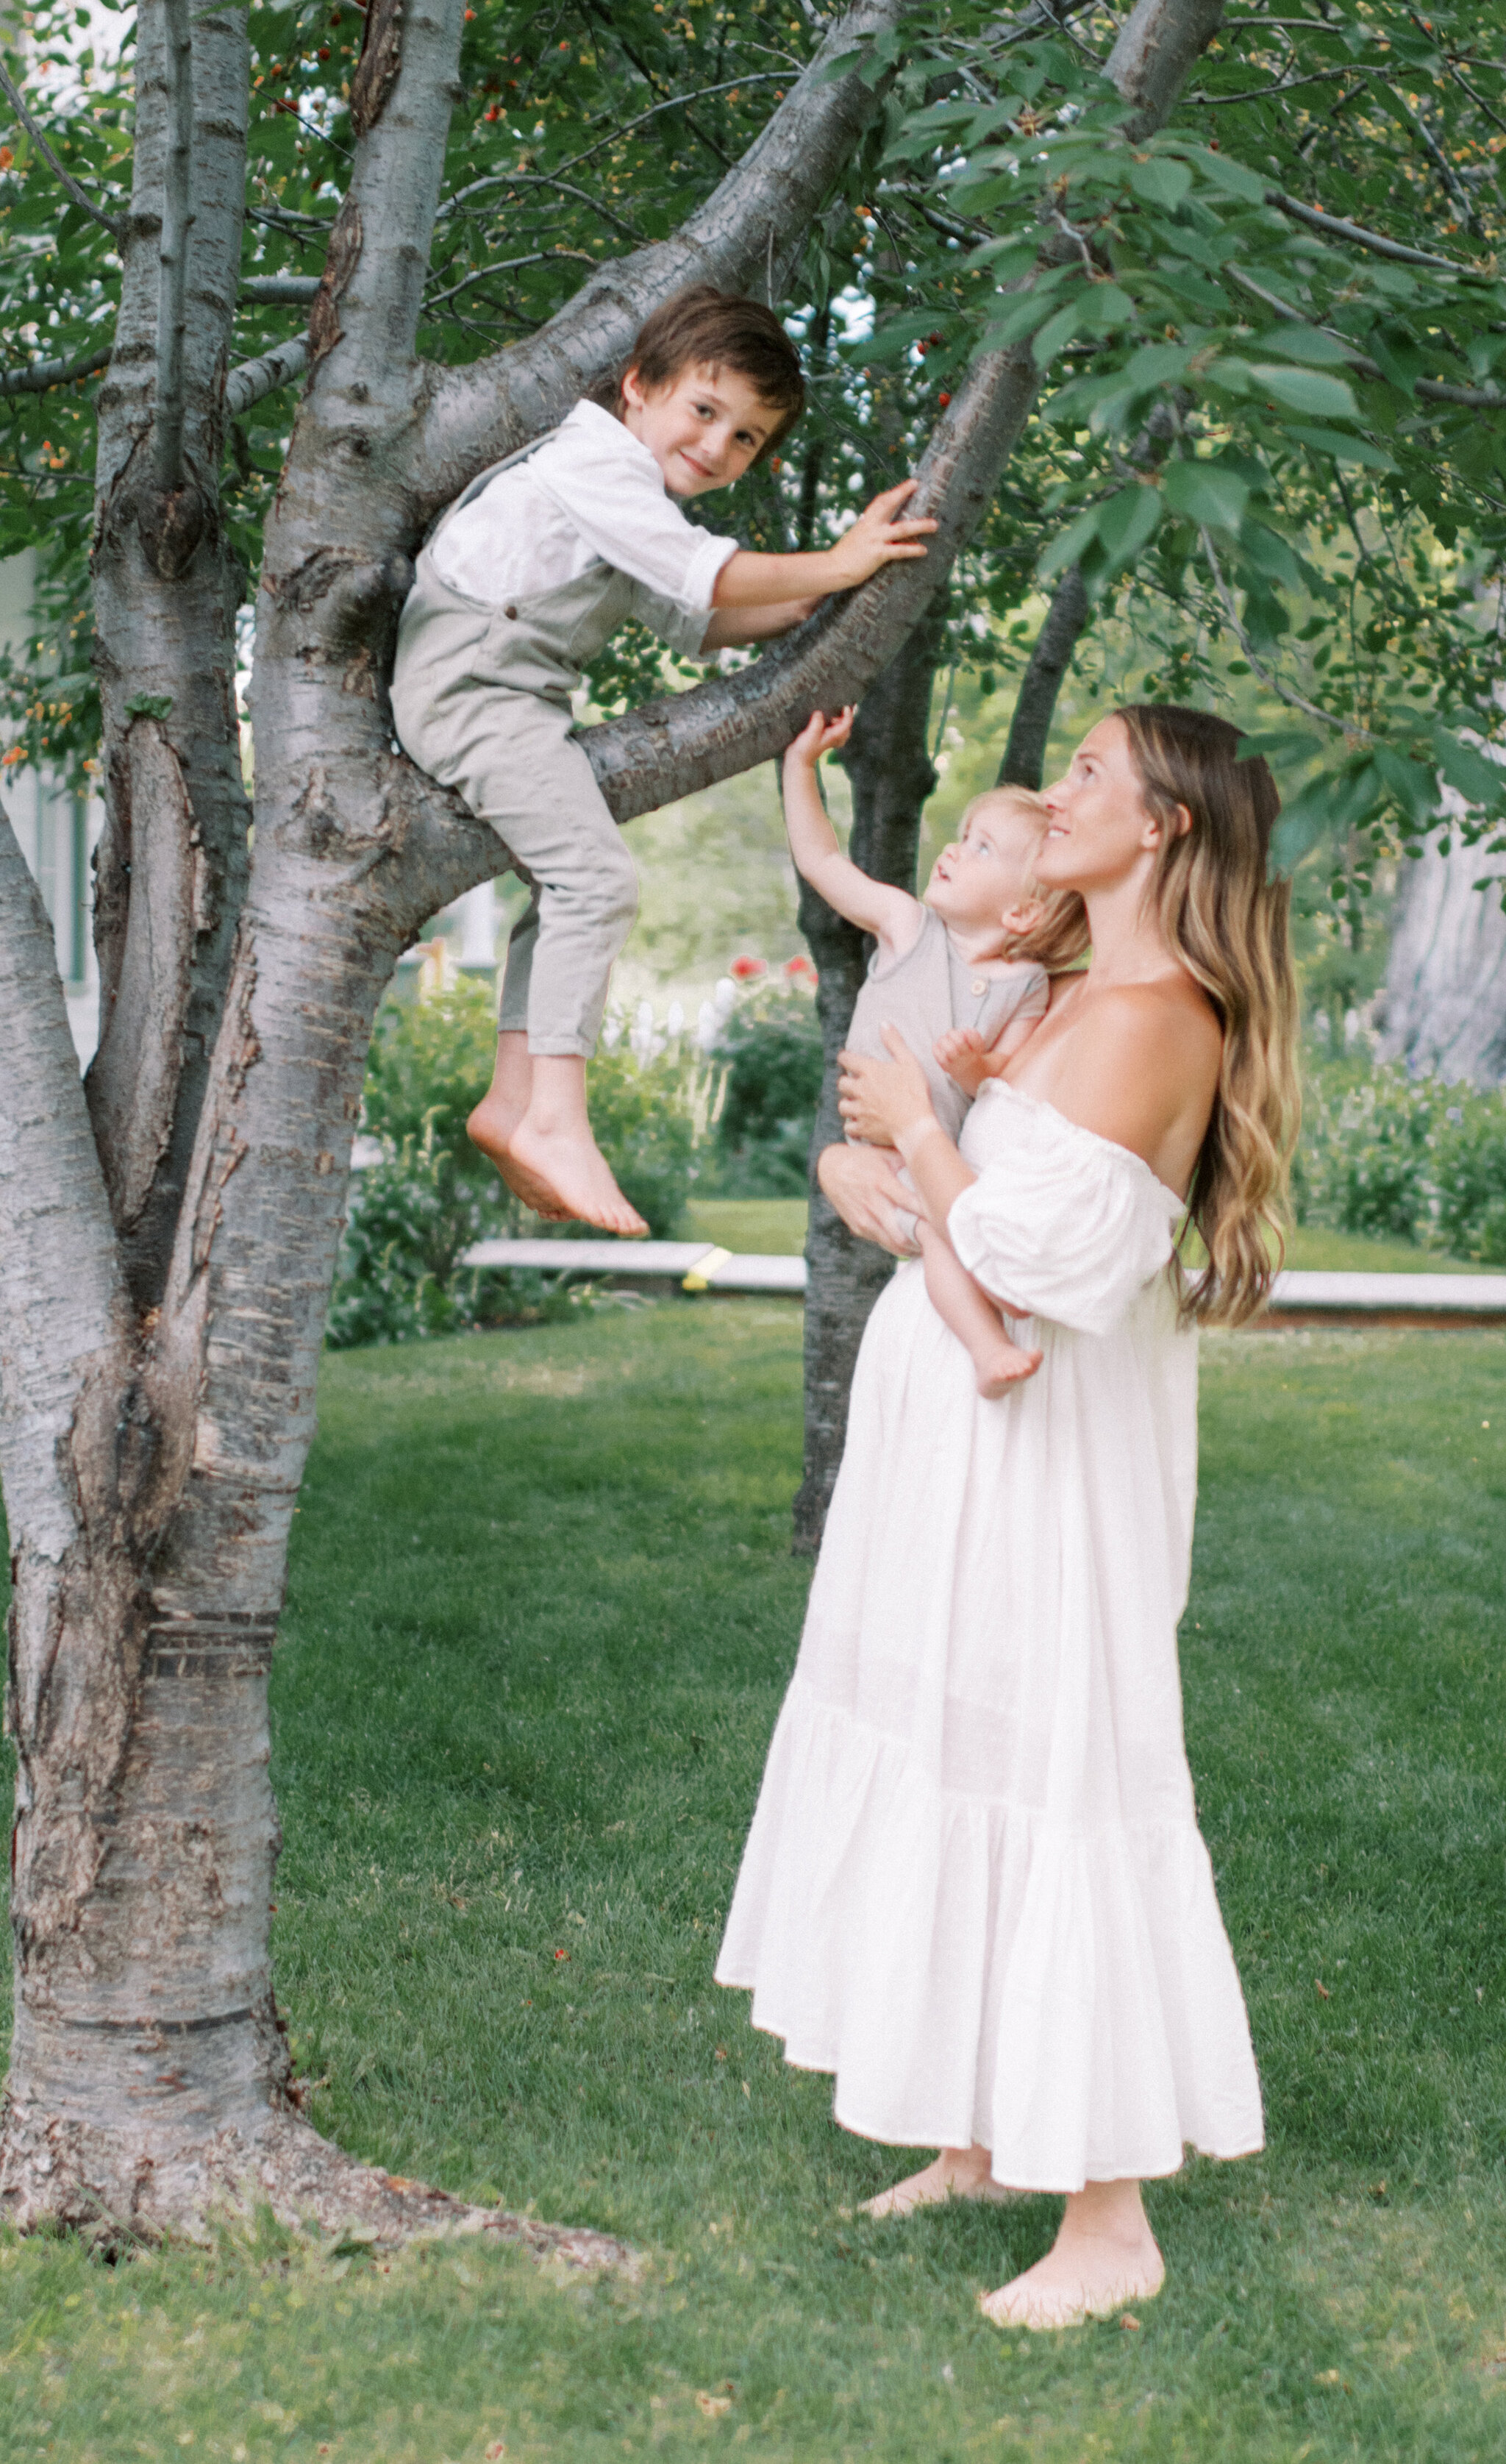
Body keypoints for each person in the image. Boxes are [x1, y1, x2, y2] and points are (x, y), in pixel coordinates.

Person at [715, 705, 1300, 2329]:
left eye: (1094, 775)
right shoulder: (1051, 988)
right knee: (952, 1743)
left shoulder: (1155, 1014)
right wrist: (870, 1168)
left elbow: (1048, 1264)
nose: (1057, 793)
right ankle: (983, 2133)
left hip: (1043, 1464)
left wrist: (912, 1135)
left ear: (1167, 828)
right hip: (953, 1452)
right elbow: (943, 1197)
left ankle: (1109, 2218)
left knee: (1054, 1772)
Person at [390, 286, 936, 1234]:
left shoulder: (628, 494)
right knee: (596, 879)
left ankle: (514, 1100)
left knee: (561, 889)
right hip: (472, 687)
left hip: (499, 695)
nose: (719, 447)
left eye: (748, 439)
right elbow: (709, 575)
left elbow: (709, 617)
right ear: (637, 386)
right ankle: (560, 1119)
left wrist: (828, 606)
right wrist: (839, 562)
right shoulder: (592, 461)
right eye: (705, 410)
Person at [780, 705, 1085, 1397]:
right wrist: (801, 767)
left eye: (981, 848)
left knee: (948, 1231)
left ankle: (990, 1329)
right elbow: (822, 860)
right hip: (876, 1156)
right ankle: (989, 1343)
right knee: (946, 1238)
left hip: (932, 1160)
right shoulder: (906, 927)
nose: (951, 849)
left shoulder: (1026, 987)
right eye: (962, 835)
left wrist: (975, 1068)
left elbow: (1006, 1081)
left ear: (1022, 914)